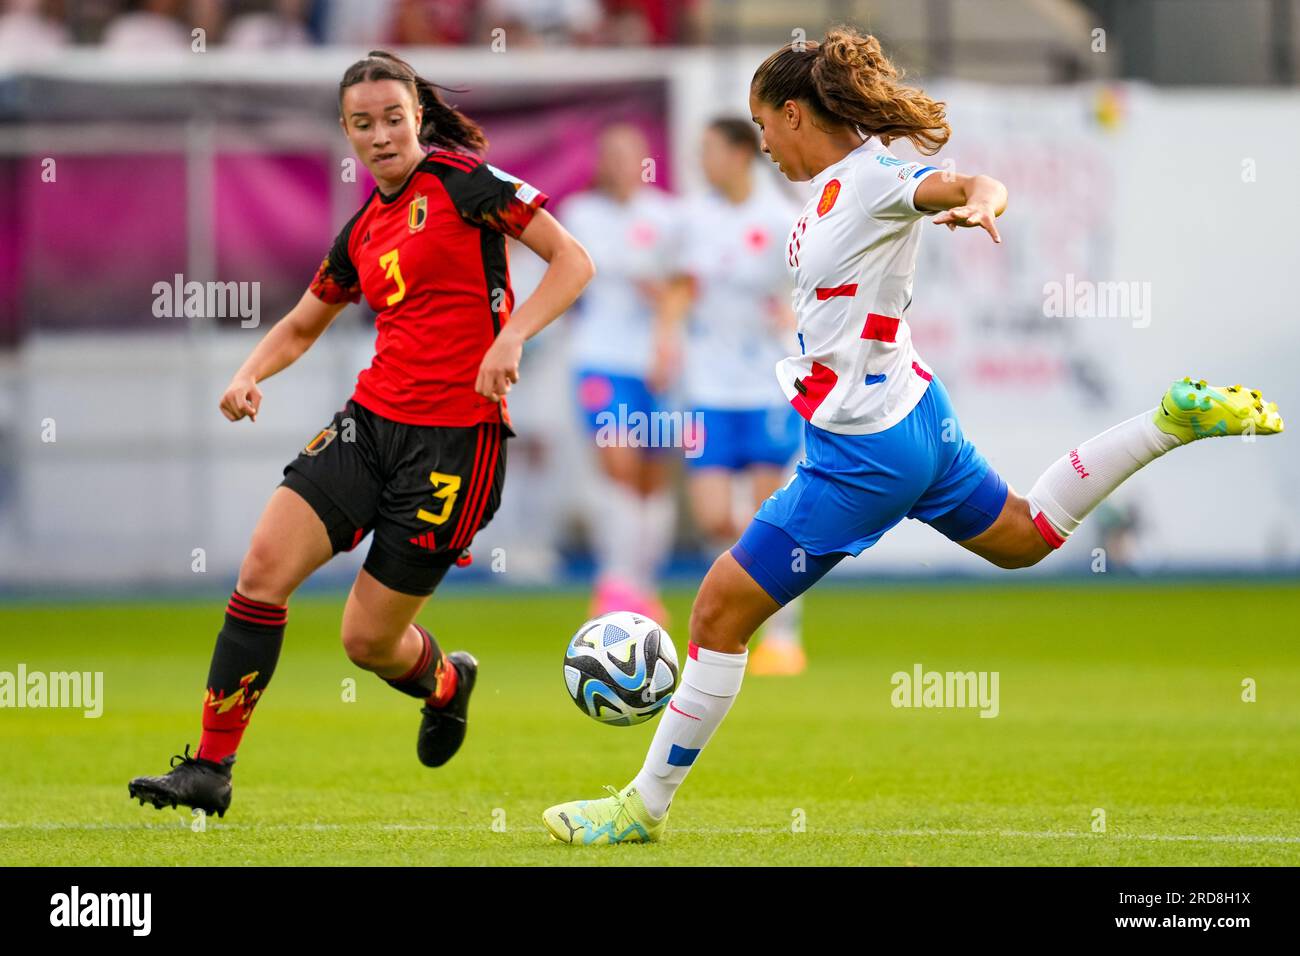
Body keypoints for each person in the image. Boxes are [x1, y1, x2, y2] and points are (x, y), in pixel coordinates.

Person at [541, 26, 1283, 845]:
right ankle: (1168, 421)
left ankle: (640, 810)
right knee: (1024, 537)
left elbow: (970, 182)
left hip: (862, 451)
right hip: (912, 415)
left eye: (763, 128)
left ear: (793, 114)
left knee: (717, 613)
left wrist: (978, 202)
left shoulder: (870, 179)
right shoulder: (832, 188)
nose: (762, 147)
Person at [128, 50, 594, 817]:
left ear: (417, 117)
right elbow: (305, 320)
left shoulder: (465, 181)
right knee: (262, 570)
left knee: (367, 644)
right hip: (370, 425)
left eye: (393, 119)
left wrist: (512, 339)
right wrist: (250, 373)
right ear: (346, 133)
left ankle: (447, 682)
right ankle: (211, 767)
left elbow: (572, 261)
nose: (381, 135)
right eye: (362, 124)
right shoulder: (363, 229)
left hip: (457, 444)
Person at [658, 117, 806, 675]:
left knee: (771, 514)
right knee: (715, 515)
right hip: (706, 386)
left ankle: (783, 636)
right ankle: (741, 614)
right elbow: (680, 286)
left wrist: (795, 321)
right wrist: (665, 341)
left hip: (767, 385)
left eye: (711, 150)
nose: (703, 161)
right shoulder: (694, 218)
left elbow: (804, 291)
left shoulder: (781, 219)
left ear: (743, 154)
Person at [562, 123, 680, 622]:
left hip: (658, 364)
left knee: (653, 479)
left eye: (629, 155)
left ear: (644, 161)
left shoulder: (668, 217)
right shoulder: (579, 215)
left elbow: (683, 287)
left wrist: (666, 311)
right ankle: (613, 582)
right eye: (610, 155)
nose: (620, 165)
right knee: (619, 467)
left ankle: (644, 585)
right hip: (601, 360)